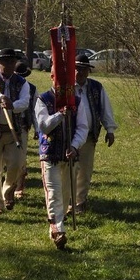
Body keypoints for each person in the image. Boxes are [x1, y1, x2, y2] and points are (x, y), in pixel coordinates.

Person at [35, 75, 89, 249]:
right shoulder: (43, 99)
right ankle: (58, 229)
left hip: (70, 156)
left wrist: (74, 146)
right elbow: (44, 126)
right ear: (52, 77)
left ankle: (56, 226)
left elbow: (82, 127)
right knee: (54, 192)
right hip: (49, 154)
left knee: (66, 195)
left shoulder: (78, 101)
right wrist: (60, 114)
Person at [0, 47, 30, 214]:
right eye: (6, 62)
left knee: (16, 165)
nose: (9, 65)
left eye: (12, 62)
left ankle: (8, 192)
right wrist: (0, 97)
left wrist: (13, 105)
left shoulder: (22, 83)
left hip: (13, 131)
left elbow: (25, 102)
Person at [72, 54, 117, 214]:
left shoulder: (96, 88)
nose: (80, 72)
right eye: (77, 69)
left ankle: (80, 202)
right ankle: (66, 201)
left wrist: (109, 130)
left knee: (84, 171)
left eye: (83, 69)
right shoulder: (65, 88)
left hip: (89, 137)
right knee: (68, 170)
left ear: (88, 72)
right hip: (69, 137)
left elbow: (105, 109)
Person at [14, 62, 39, 200]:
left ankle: (19, 186)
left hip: (23, 126)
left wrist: (37, 128)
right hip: (7, 126)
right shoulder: (5, 86)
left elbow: (36, 110)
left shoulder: (31, 89)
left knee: (21, 157)